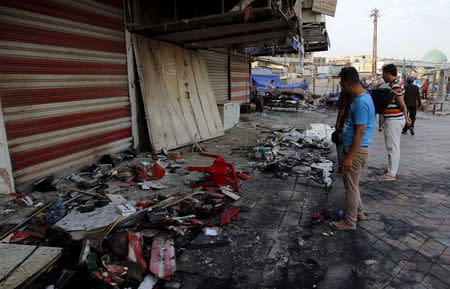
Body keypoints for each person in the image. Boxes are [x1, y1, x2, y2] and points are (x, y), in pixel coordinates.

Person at [330, 67, 376, 230]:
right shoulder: (364, 97)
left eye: (341, 85)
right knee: (353, 184)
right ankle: (359, 212)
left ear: (345, 84)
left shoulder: (361, 102)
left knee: (350, 187)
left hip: (355, 151)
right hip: (357, 149)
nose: (341, 88)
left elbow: (361, 131)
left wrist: (349, 157)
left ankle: (350, 222)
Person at [375, 64, 411, 181]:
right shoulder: (393, 85)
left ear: (388, 74)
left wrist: (405, 116)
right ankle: (390, 169)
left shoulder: (395, 86)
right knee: (391, 146)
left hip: (394, 120)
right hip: (393, 119)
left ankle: (391, 174)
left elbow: (401, 103)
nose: (382, 76)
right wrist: (405, 116)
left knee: (393, 148)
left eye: (383, 73)